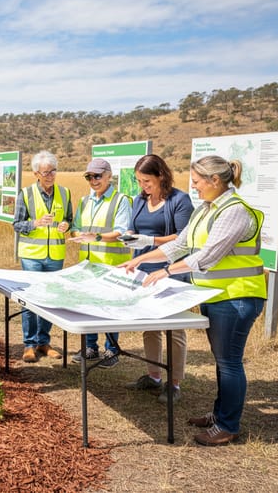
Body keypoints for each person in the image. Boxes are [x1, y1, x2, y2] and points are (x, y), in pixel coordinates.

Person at [119, 155, 266, 446]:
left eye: (198, 182)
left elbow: (208, 255)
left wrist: (166, 271)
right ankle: (220, 414)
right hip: (217, 296)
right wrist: (141, 260)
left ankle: (228, 426)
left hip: (237, 297)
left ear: (215, 181)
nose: (194, 187)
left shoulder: (234, 211)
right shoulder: (207, 209)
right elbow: (180, 245)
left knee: (230, 363)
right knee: (223, 362)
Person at [121, 154, 194, 404]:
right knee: (150, 325)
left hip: (171, 271)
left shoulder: (180, 200)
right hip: (143, 269)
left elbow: (184, 239)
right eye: (139, 181)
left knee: (173, 328)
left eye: (147, 181)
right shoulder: (140, 200)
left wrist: (151, 240)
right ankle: (153, 377)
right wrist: (130, 236)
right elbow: (133, 228)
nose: (143, 186)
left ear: (161, 175)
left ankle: (174, 383)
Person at [68, 158, 132, 368]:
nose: (93, 180)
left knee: (109, 309)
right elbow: (76, 226)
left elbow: (121, 232)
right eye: (89, 177)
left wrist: (94, 237)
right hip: (87, 266)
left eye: (97, 176)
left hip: (111, 265)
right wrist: (78, 234)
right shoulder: (85, 201)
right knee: (88, 306)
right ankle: (91, 347)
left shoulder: (121, 200)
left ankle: (111, 350)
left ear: (108, 176)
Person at [12, 150, 72, 363]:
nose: (50, 175)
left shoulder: (65, 193)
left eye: (53, 171)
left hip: (55, 255)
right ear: (36, 173)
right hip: (31, 256)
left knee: (50, 300)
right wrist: (34, 223)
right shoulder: (26, 194)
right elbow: (17, 225)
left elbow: (70, 221)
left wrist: (67, 225)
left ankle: (43, 342)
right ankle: (29, 345)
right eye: (46, 172)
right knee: (30, 300)